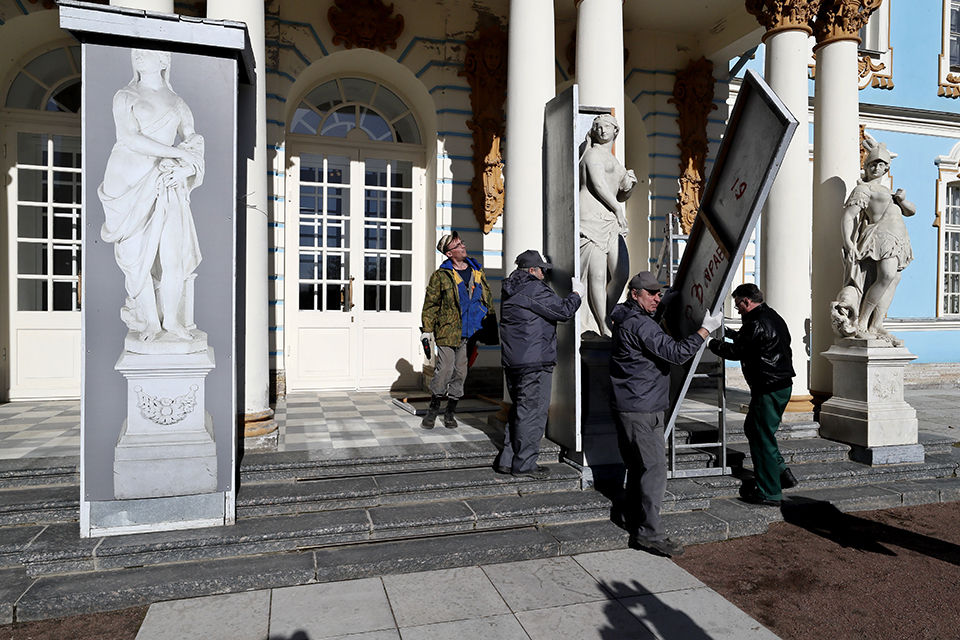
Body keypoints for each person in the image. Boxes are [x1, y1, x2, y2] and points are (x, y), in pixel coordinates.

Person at [609, 271, 722, 557]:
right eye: (651, 294)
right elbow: (676, 353)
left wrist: (661, 307)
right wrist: (705, 330)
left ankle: (636, 521)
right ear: (635, 294)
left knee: (639, 468)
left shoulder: (626, 316)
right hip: (643, 407)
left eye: (659, 294)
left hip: (631, 404)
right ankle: (650, 533)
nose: (656, 298)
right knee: (654, 469)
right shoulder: (640, 324)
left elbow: (646, 332)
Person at [99, 49, 205, 342]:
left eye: (147, 53)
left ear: (164, 60)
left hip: (166, 180)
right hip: (125, 181)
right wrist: (177, 155)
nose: (139, 56)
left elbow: (193, 140)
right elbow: (129, 138)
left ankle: (171, 320)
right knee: (136, 260)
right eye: (136, 52)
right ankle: (150, 323)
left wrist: (187, 168)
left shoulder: (178, 103)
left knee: (173, 257)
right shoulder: (125, 96)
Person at [707, 283, 797, 508]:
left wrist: (709, 342)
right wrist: (727, 332)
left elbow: (736, 351)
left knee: (760, 436)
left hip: (768, 387)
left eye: (738, 304)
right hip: (779, 385)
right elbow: (750, 340)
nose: (737, 309)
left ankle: (769, 492)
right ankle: (782, 473)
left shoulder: (756, 323)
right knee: (755, 429)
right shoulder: (771, 316)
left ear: (746, 301)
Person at [497, 250, 583, 478]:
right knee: (532, 414)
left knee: (520, 410)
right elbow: (563, 311)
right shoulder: (533, 288)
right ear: (532, 270)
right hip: (534, 362)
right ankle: (525, 465)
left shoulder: (510, 287)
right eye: (542, 270)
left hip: (515, 361)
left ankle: (508, 459)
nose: (545, 275)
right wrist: (577, 294)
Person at [833, 134, 915, 346]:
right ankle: (862, 322)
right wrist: (849, 243)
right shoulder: (864, 189)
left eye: (880, 165)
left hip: (899, 240)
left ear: (887, 168)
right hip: (880, 238)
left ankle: (876, 324)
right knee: (886, 275)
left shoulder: (890, 192)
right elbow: (848, 217)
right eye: (872, 164)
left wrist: (902, 199)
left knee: (893, 280)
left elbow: (911, 211)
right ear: (866, 166)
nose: (876, 168)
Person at [420, 231, 495, 429]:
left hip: (471, 331)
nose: (462, 246)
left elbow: (487, 299)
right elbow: (430, 304)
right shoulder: (441, 276)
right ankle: (433, 409)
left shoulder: (477, 271)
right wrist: (427, 330)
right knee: (444, 369)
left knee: (461, 372)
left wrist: (490, 325)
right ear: (449, 253)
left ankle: (450, 412)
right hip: (447, 330)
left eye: (462, 243)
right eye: (457, 245)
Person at [579, 114, 637, 337]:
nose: (602, 130)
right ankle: (602, 324)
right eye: (598, 127)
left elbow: (621, 194)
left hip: (609, 219)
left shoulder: (614, 160)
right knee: (597, 275)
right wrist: (618, 210)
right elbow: (599, 185)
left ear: (615, 130)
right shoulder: (592, 154)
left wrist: (629, 185)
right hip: (591, 217)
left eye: (606, 126)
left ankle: (603, 315)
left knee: (620, 273)